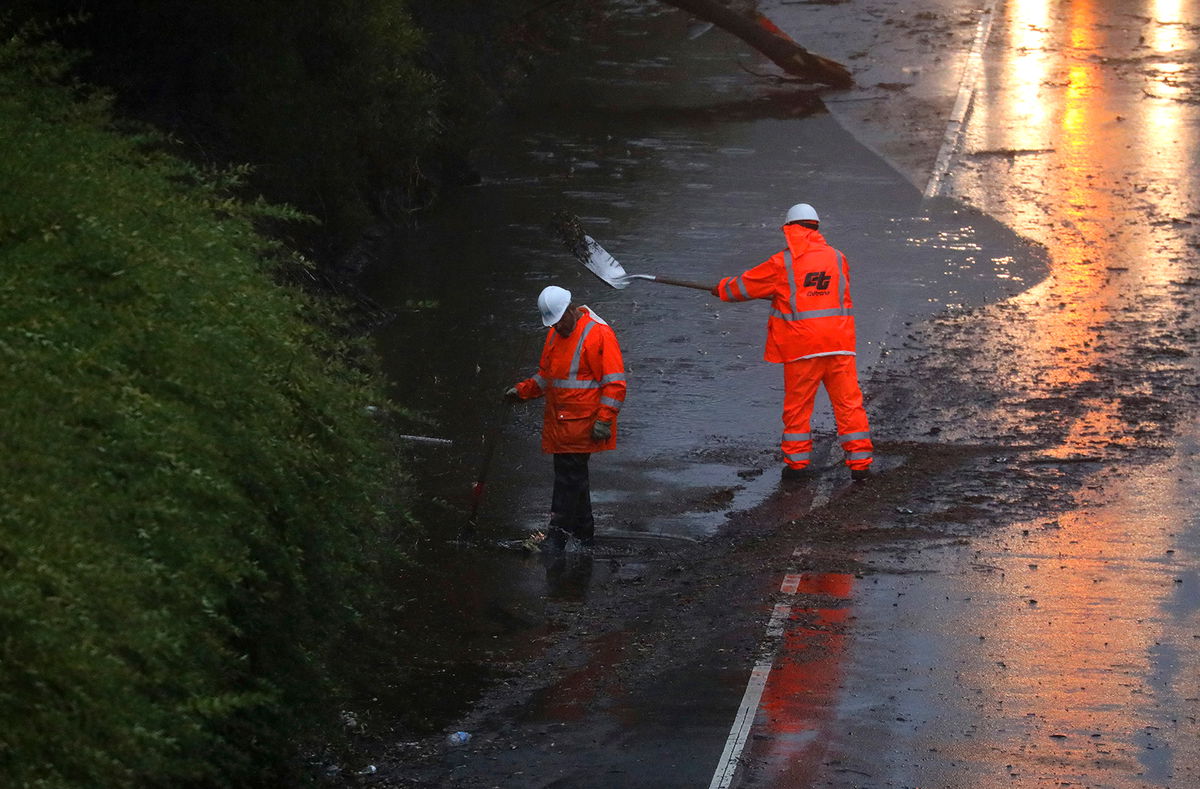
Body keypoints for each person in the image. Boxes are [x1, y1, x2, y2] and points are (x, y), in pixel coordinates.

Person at [710, 203, 873, 481]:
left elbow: (743, 287)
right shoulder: (837, 257)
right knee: (849, 404)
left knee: (798, 407)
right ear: (816, 227)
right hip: (839, 344)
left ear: (789, 229)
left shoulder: (782, 263)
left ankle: (797, 466)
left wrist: (722, 289)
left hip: (803, 348)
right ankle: (861, 464)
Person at [506, 285, 627, 551]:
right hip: (560, 424)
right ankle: (584, 538)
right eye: (553, 323)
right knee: (575, 481)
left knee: (567, 481)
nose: (557, 327)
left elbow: (615, 384)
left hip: (584, 425)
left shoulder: (599, 334)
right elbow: (547, 377)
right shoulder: (553, 336)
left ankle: (557, 538)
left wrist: (604, 420)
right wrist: (523, 391)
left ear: (572, 310)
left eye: (560, 321)